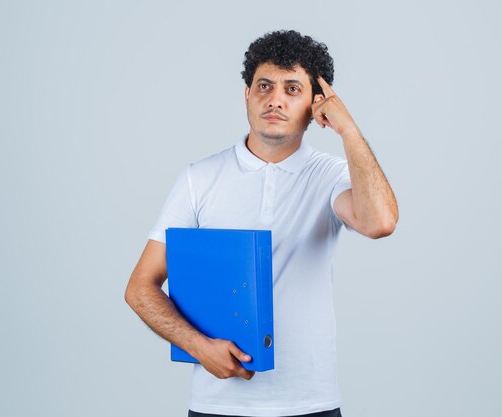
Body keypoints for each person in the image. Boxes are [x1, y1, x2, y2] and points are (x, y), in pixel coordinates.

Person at [124, 29, 398, 417]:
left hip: (311, 404)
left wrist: (348, 130)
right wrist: (199, 347)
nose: (275, 100)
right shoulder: (198, 178)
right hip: (217, 405)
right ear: (247, 95)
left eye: (292, 89)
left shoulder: (331, 176)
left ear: (317, 104)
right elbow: (139, 288)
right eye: (264, 86)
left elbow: (381, 222)